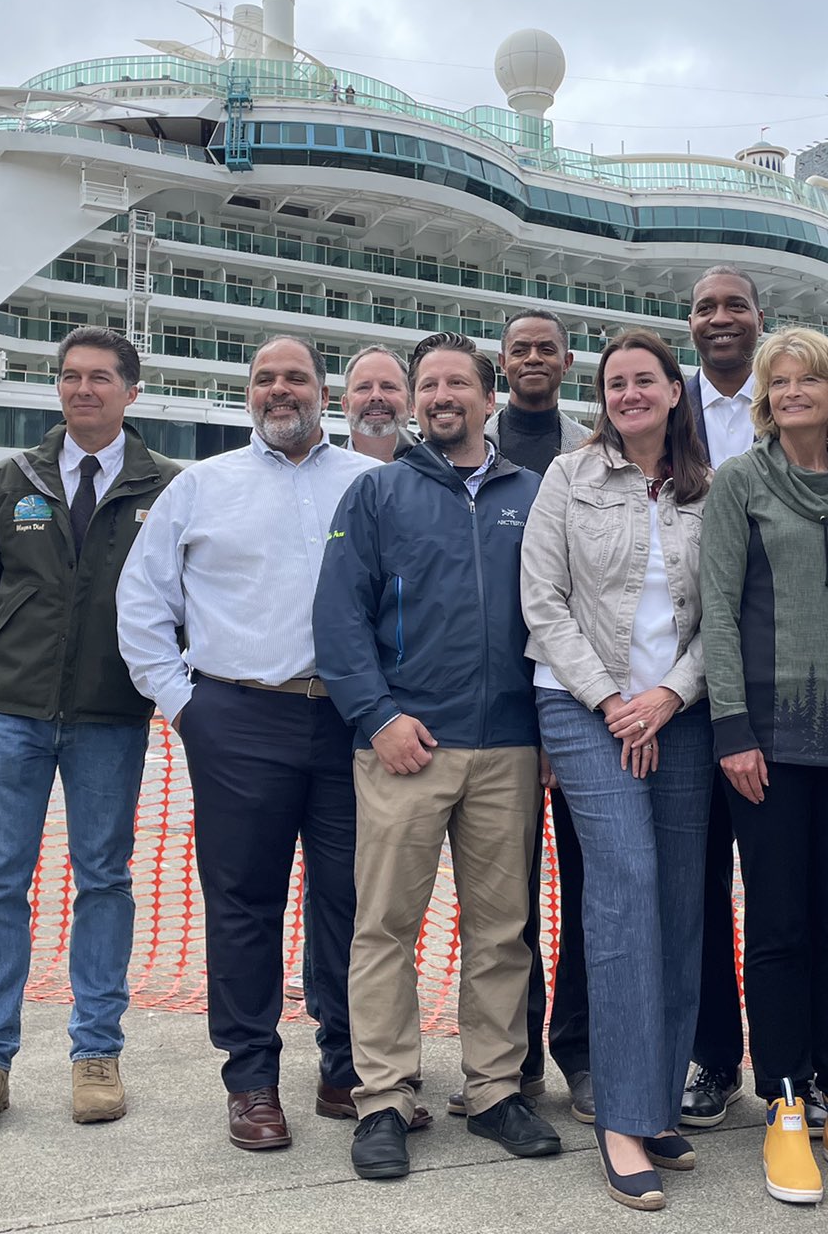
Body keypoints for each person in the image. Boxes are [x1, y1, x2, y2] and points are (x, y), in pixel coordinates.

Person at [118, 336, 411, 1152]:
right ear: (250, 393)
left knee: (353, 902)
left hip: (350, 721)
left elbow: (404, 603)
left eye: (297, 379)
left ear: (325, 392)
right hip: (237, 719)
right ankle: (250, 1078)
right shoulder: (202, 487)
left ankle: (347, 1068)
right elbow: (142, 605)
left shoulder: (374, 484)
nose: (281, 391)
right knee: (245, 904)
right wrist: (187, 708)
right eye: (265, 379)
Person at [314, 331, 562, 1181]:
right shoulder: (377, 494)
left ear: (490, 400)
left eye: (459, 381)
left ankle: (494, 1091)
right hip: (403, 749)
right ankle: (382, 1098)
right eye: (429, 384)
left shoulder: (536, 494)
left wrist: (550, 734)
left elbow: (560, 616)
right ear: (416, 402)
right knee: (384, 926)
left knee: (503, 931)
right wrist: (378, 717)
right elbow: (339, 622)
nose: (441, 395)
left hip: (509, 748)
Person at [0, 326, 178, 1138]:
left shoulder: (164, 489)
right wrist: (22, 652)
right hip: (15, 713)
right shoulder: (13, 481)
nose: (84, 390)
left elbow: (175, 597)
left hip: (112, 717)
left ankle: (96, 1055)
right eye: (72, 377)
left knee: (103, 881)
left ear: (131, 392)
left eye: (101, 378)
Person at [700, 326, 828, 1206]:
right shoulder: (738, 484)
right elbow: (714, 607)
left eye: (806, 381)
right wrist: (731, 729)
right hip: (768, 743)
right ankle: (785, 1101)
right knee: (778, 925)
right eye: (777, 382)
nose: (791, 393)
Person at [520, 329, 716, 1211]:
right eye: (616, 383)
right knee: (626, 882)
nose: (630, 393)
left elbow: (730, 617)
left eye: (646, 380)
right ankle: (623, 1118)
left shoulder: (715, 487)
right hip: (580, 703)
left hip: (681, 711)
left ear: (676, 391)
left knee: (679, 894)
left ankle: (658, 1094)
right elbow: (543, 601)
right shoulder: (570, 477)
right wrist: (611, 702)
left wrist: (668, 697)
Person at [481, 310, 595, 1122]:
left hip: (579, 697)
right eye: (518, 348)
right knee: (504, 895)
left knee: (591, 886)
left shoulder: (592, 446)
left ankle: (583, 1053)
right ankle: (512, 1057)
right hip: (494, 710)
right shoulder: (466, 447)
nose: (531, 359)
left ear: (564, 362)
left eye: (544, 349)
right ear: (502, 361)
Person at [676, 266, 766, 1130]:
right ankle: (712, 1054)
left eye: (734, 304)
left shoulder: (794, 399)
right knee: (698, 881)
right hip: (683, 679)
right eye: (706, 307)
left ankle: (791, 1064)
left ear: (759, 318)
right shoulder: (669, 411)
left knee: (776, 885)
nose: (720, 318)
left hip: (774, 675)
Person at [342, 344, 415, 462]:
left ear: (411, 403)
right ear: (345, 405)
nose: (376, 396)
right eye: (363, 388)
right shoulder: (321, 474)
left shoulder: (439, 470)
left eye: (388, 387)